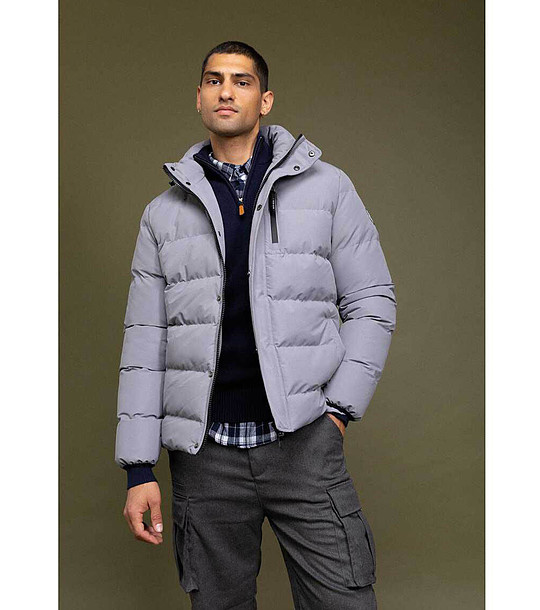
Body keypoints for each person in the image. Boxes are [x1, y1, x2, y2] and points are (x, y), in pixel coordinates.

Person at [115, 40, 397, 610]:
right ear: (199, 98)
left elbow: (372, 301)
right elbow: (146, 343)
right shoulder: (162, 215)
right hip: (205, 458)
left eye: (241, 81)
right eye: (214, 80)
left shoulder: (328, 188)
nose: (226, 91)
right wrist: (138, 468)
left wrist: (338, 413)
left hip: (305, 442)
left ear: (265, 100)